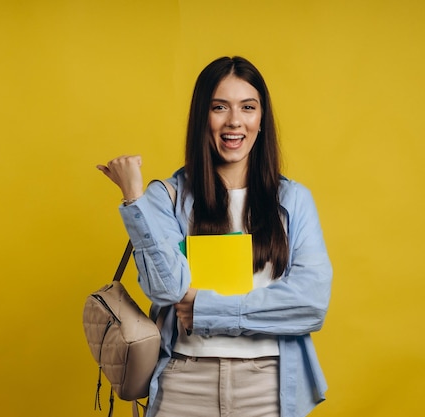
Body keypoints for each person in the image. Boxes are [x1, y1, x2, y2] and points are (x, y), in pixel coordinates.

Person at [96, 56, 332, 417]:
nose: (234, 121)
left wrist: (207, 311)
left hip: (267, 385)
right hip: (184, 382)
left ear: (261, 118)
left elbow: (311, 303)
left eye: (247, 107)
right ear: (202, 118)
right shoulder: (167, 197)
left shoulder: (293, 199)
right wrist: (133, 199)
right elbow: (167, 289)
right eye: (219, 107)